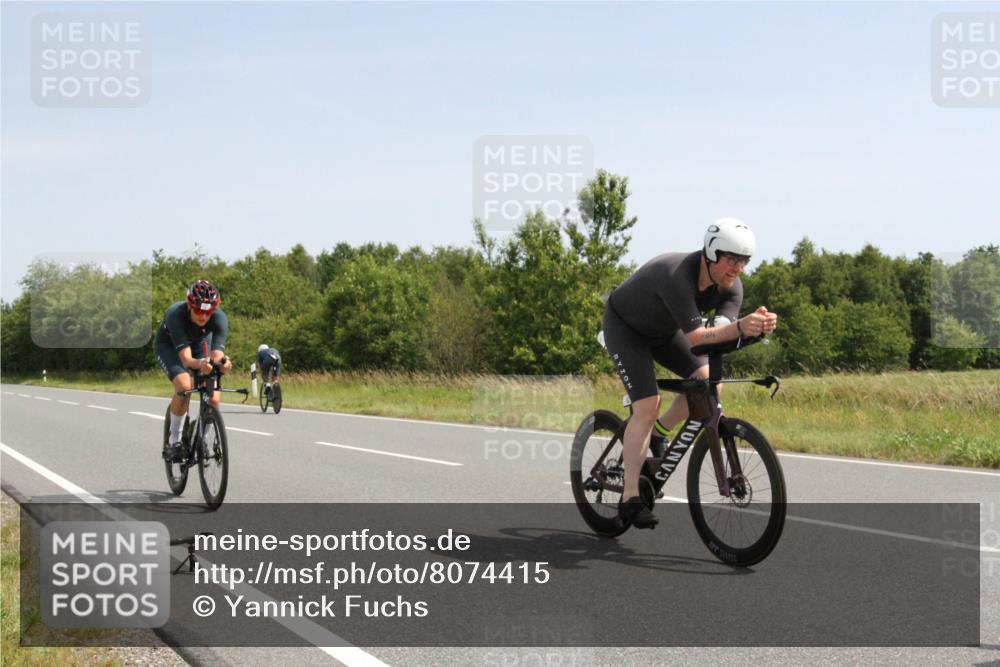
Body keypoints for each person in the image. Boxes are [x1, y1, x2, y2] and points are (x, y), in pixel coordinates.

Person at [602, 218, 778, 528]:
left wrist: (755, 331)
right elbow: (698, 338)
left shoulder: (731, 287)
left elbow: (721, 334)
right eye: (731, 259)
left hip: (665, 332)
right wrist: (741, 327)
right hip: (627, 328)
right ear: (711, 253)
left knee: (708, 385)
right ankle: (630, 497)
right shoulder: (676, 275)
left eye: (744, 261)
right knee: (647, 404)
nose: (737, 268)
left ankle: (657, 433)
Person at [154, 280, 233, 462]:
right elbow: (187, 360)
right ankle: (174, 441)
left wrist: (222, 363)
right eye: (198, 310)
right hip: (170, 347)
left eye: (208, 311)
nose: (203, 316)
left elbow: (216, 354)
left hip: (199, 345)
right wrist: (202, 364)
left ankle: (202, 438)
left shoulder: (220, 318)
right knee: (184, 385)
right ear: (189, 305)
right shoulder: (175, 314)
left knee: (213, 397)